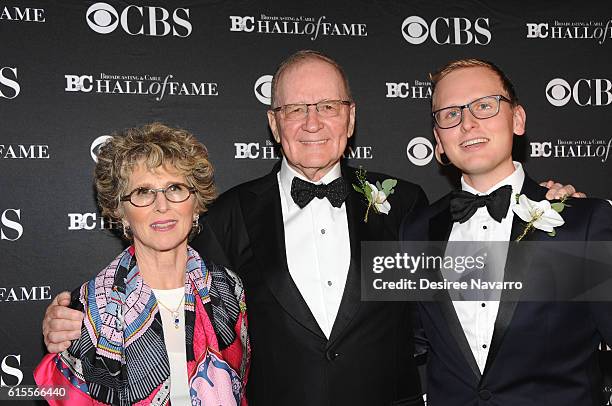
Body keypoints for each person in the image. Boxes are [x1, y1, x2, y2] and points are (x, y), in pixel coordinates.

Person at [42, 51, 578, 406]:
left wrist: (550, 207)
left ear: (350, 117)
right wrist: (70, 325)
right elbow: (163, 283)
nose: (313, 122)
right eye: (296, 109)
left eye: (327, 106)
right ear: (274, 124)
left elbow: (479, 288)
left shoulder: (407, 204)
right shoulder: (225, 212)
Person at [400, 58, 612, 405]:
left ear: (517, 119)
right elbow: (403, 340)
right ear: (438, 141)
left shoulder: (583, 223)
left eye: (484, 106)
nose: (467, 123)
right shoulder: (416, 230)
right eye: (450, 114)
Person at [35, 123, 249, 405]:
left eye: (175, 188)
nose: (162, 205)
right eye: (143, 192)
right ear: (120, 212)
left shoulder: (228, 289)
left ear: (195, 202)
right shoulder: (84, 310)